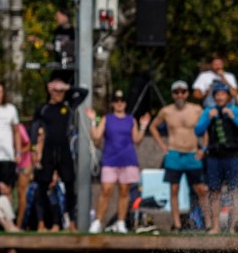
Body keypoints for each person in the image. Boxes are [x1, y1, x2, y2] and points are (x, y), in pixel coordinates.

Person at [149, 79, 210, 232]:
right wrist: (163, 146)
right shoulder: (166, 111)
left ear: (187, 93)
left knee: (201, 189)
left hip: (192, 154)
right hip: (174, 153)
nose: (180, 95)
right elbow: (153, 127)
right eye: (177, 92)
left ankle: (208, 223)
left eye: (183, 92)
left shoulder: (196, 109)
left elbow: (207, 128)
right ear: (173, 95)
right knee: (174, 189)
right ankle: (176, 223)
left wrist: (203, 148)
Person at [87, 90, 151, 233]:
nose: (119, 103)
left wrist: (143, 126)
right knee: (106, 190)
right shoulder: (106, 119)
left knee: (124, 192)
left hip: (128, 160)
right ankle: (97, 222)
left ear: (125, 103)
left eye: (121, 101)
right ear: (112, 104)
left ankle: (120, 222)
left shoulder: (131, 120)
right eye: (116, 101)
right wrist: (92, 121)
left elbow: (137, 140)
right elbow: (96, 137)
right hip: (110, 160)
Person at [194, 81, 238, 234]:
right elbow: (198, 130)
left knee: (235, 192)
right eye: (217, 94)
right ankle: (215, 226)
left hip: (233, 156)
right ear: (214, 97)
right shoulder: (208, 111)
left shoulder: (237, 110)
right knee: (215, 192)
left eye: (223, 94)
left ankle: (233, 227)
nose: (220, 97)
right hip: (214, 157)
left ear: (228, 96)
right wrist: (208, 118)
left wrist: (233, 117)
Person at [30, 74, 88, 231]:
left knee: (70, 185)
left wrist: (66, 87)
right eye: (55, 90)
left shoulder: (68, 106)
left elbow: (84, 92)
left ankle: (72, 222)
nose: (58, 93)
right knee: (42, 186)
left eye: (60, 91)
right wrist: (34, 150)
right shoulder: (43, 108)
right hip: (48, 150)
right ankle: (41, 223)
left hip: (64, 150)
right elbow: (35, 130)